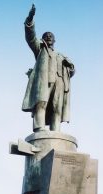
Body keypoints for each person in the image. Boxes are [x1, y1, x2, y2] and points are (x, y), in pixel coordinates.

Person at [22, 4, 75, 132]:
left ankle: (56, 131)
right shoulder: (40, 49)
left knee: (57, 107)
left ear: (55, 40)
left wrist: (70, 67)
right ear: (43, 39)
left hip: (60, 81)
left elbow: (71, 71)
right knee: (42, 103)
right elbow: (30, 37)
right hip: (45, 79)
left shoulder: (60, 55)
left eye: (51, 36)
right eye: (46, 36)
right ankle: (39, 128)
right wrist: (30, 20)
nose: (49, 37)